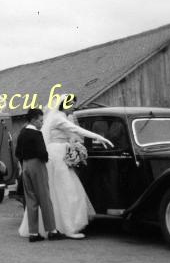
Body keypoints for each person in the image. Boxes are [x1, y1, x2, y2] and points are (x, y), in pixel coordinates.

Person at [19, 99, 113, 239]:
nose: (74, 107)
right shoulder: (58, 118)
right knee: (64, 191)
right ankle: (64, 227)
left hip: (61, 154)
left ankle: (44, 229)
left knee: (60, 191)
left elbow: (73, 134)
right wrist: (98, 137)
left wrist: (75, 146)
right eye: (71, 105)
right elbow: (77, 130)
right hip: (56, 156)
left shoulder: (63, 118)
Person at [15, 109, 66, 242]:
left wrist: (23, 163)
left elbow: (17, 152)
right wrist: (46, 158)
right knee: (44, 198)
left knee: (31, 199)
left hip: (25, 166)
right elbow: (42, 153)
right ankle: (52, 230)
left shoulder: (22, 133)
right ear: (33, 120)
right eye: (40, 120)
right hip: (37, 165)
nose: (42, 123)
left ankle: (33, 233)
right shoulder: (36, 134)